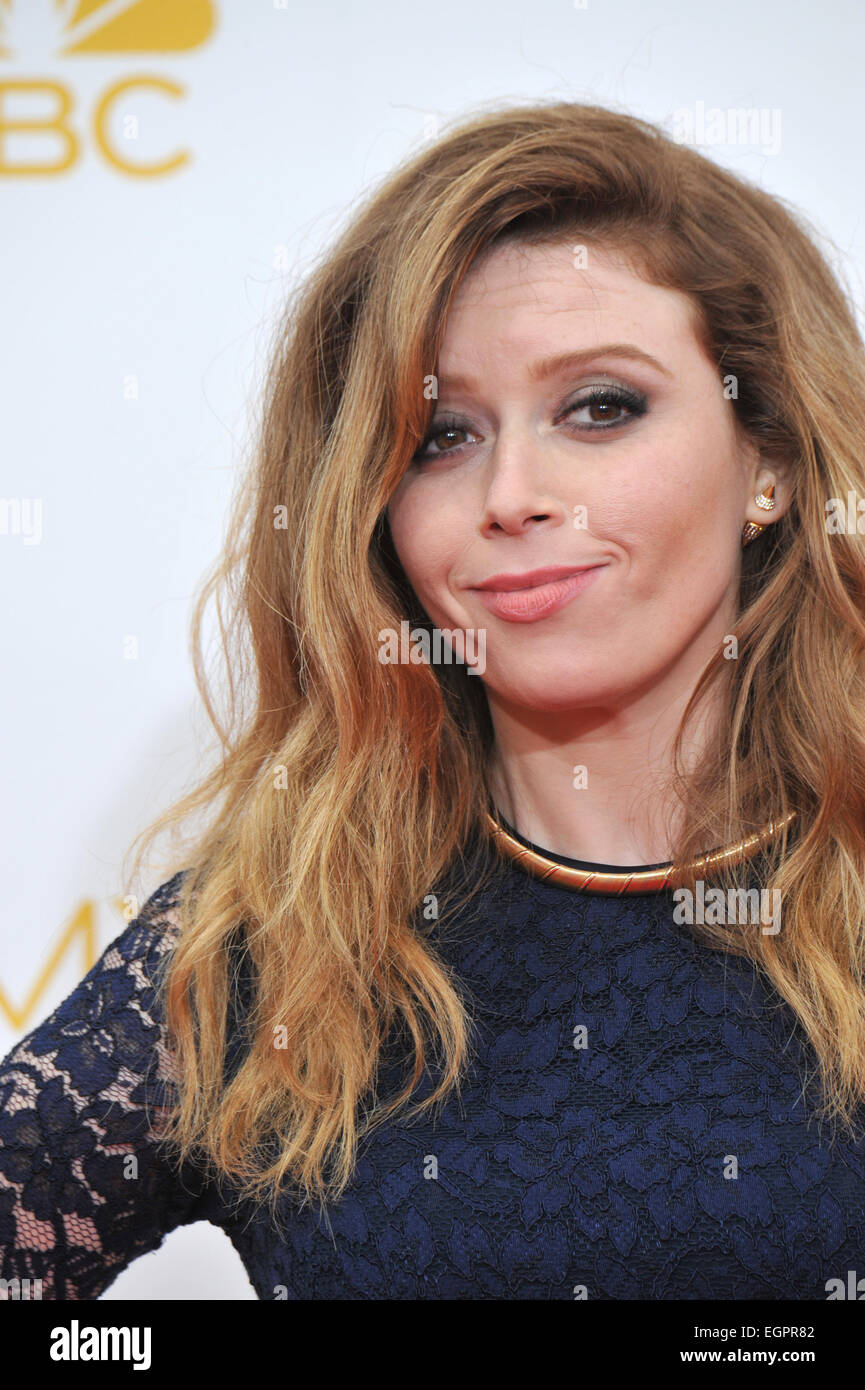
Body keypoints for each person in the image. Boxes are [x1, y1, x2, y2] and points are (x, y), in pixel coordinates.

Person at [3, 98, 865, 1302]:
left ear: (767, 461)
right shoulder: (279, 946)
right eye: (440, 434)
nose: (511, 491)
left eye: (600, 406)